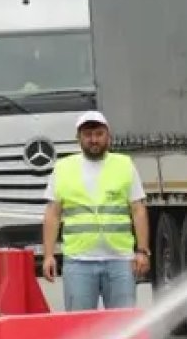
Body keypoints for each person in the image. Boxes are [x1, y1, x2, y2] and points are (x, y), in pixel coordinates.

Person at [42, 110, 151, 310]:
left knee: (122, 326)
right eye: (88, 135)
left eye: (99, 134)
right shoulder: (63, 168)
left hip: (119, 260)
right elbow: (53, 213)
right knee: (80, 328)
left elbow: (138, 209)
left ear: (108, 136)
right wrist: (48, 255)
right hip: (78, 261)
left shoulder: (124, 165)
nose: (94, 140)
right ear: (79, 138)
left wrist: (142, 251)